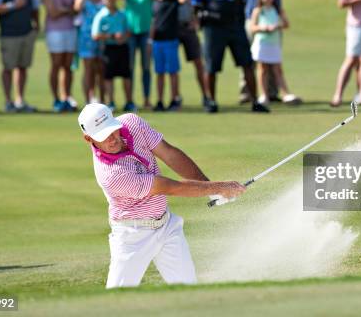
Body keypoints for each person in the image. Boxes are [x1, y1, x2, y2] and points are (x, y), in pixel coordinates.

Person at [77, 103, 245, 288]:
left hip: (167, 226)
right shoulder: (111, 175)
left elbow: (170, 154)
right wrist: (218, 187)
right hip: (132, 236)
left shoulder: (132, 123)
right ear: (88, 138)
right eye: (103, 136)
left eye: (113, 130)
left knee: (188, 290)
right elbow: (171, 187)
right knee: (117, 299)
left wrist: (210, 188)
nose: (112, 139)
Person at [192, 0, 269, 113]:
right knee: (211, 66)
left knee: (247, 63)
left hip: (234, 26)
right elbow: (196, 5)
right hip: (213, 29)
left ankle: (255, 101)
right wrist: (200, 19)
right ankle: (211, 101)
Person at [241, 0, 292, 103]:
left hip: (273, 19)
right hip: (254, 18)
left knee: (272, 57)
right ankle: (247, 92)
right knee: (250, 57)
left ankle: (271, 92)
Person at [165, 0, 208, 106]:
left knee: (198, 61)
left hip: (189, 26)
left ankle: (206, 96)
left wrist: (197, 20)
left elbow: (200, 3)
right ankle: (176, 98)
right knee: (173, 66)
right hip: (171, 28)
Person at [249, 0, 300, 105]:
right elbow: (252, 27)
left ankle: (285, 94)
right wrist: (264, 28)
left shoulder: (278, 10)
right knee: (263, 69)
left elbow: (286, 24)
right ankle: (264, 95)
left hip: (274, 42)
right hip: (262, 43)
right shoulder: (258, 10)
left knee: (277, 69)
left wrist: (277, 26)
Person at [41, 0, 78, 112]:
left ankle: (66, 97)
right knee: (56, 64)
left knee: (68, 66)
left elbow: (76, 8)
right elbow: (53, 12)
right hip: (54, 31)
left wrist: (63, 9)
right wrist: (66, 10)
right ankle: (56, 99)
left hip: (70, 29)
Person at [92, 0, 135, 112]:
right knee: (109, 77)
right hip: (108, 48)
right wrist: (111, 36)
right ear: (103, 0)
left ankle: (129, 101)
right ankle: (110, 102)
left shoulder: (122, 14)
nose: (111, 1)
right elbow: (95, 35)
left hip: (123, 47)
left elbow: (128, 31)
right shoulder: (101, 16)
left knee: (126, 75)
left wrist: (124, 37)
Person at [118, 0, 154, 109]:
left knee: (146, 67)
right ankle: (130, 100)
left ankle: (146, 99)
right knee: (130, 67)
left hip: (145, 32)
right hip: (130, 33)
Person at [150, 0, 188, 112]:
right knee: (159, 73)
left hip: (171, 41)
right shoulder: (154, 2)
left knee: (172, 72)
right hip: (157, 42)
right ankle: (160, 101)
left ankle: (174, 99)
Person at [74, 0, 104, 104]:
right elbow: (77, 6)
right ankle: (88, 101)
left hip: (102, 39)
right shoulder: (85, 0)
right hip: (87, 39)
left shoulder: (103, 0)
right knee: (88, 70)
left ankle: (102, 101)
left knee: (101, 70)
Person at [66, 0, 88, 84]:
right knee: (69, 65)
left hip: (87, 27)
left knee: (89, 64)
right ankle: (67, 97)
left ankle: (91, 97)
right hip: (71, 26)